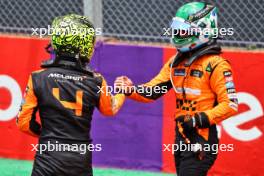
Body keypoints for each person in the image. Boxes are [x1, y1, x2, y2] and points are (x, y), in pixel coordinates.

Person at [115, 2, 238, 176]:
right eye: (177, 30)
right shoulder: (176, 61)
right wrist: (130, 89)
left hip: (201, 138)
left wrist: (197, 120)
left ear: (203, 30)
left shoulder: (217, 65)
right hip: (180, 136)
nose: (178, 34)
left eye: (184, 30)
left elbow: (230, 104)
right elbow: (153, 91)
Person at [17, 14, 125, 176]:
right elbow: (110, 109)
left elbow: (23, 123)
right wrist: (122, 92)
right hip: (79, 164)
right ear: (85, 45)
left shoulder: (38, 77)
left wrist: (48, 135)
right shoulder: (96, 81)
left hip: (47, 162)